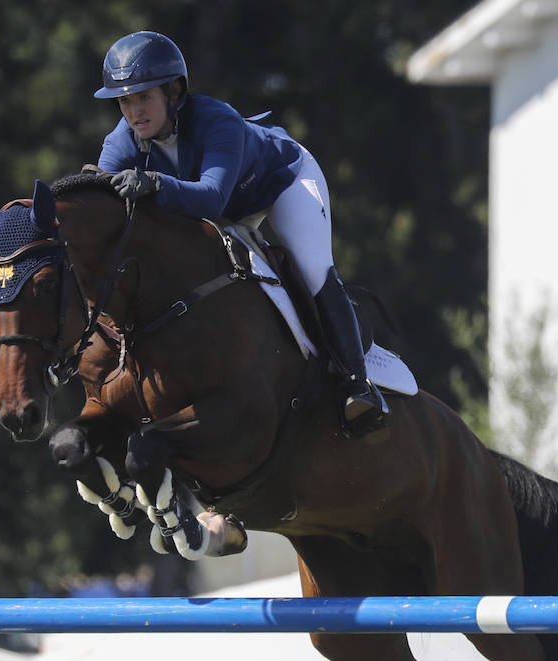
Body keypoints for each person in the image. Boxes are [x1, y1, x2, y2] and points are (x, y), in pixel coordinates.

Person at [92, 31, 389, 440]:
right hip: (221, 208)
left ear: (173, 91)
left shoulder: (217, 121)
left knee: (311, 265)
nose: (134, 112)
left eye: (144, 97)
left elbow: (212, 200)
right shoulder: (122, 142)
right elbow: (103, 203)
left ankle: (360, 385)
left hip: (280, 184)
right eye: (125, 101)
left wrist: (156, 184)